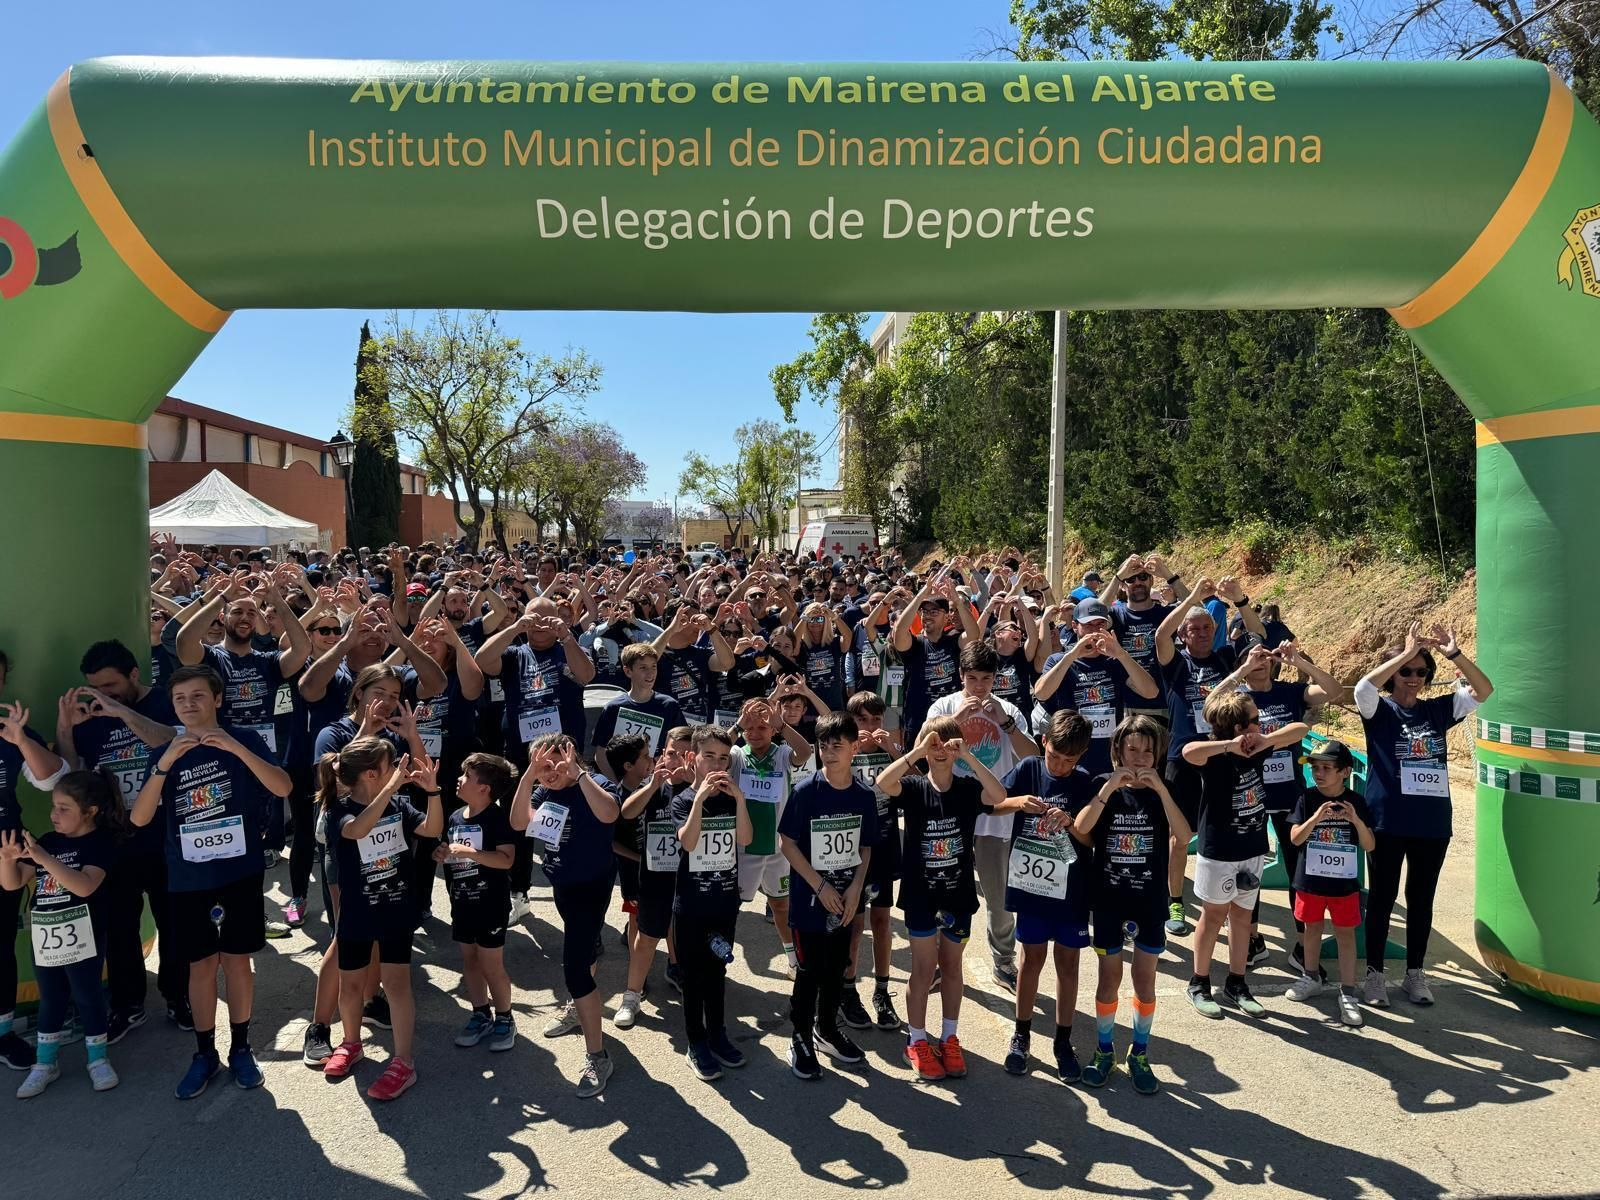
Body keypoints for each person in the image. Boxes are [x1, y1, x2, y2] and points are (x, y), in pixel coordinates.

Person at [131, 665, 293, 1099]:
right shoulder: (164, 751)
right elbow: (140, 817)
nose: (189, 705)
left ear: (217, 700)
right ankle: (204, 1052)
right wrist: (164, 764)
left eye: (198, 696)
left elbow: (282, 787)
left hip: (239, 871)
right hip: (186, 876)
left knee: (237, 960)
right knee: (200, 966)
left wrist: (237, 751)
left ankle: (242, 1047)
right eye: (181, 698)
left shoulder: (246, 739)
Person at [875, 717, 1042, 1081]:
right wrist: (918, 751)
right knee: (922, 970)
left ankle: (950, 1037)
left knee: (952, 968)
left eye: (947, 744)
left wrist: (967, 755)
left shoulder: (967, 788)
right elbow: (882, 783)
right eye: (933, 743)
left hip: (957, 895)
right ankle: (916, 1040)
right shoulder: (914, 787)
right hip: (921, 896)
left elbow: (998, 796)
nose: (940, 749)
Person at [1357, 622, 1491, 1007]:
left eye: (1421, 671)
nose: (1414, 678)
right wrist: (1403, 651)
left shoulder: (1438, 710)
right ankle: (1375, 974)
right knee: (1382, 897)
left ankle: (1415, 972)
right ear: (1394, 672)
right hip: (1386, 819)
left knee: (1422, 897)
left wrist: (1454, 654)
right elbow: (1363, 688)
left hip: (1431, 822)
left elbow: (1484, 691)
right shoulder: (1378, 709)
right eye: (1406, 671)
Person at [55, 640, 184, 1040]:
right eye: (96, 688)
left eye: (110, 686)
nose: (103, 696)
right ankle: (128, 1004)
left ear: (134, 674)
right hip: (114, 841)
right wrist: (66, 726)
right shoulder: (89, 715)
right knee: (120, 927)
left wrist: (120, 711)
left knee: (174, 922)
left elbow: (170, 740)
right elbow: (73, 772)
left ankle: (179, 996)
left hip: (164, 837)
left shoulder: (164, 701)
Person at [1073, 716, 1191, 1093]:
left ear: (1156, 756)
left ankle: (1139, 1053)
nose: (1139, 758)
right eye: (1131, 749)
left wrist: (1161, 789)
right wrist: (1109, 786)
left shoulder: (1163, 790)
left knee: (1145, 979)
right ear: (1118, 750)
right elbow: (1081, 827)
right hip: (1109, 898)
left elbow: (1185, 836)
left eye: (1147, 751)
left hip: (1149, 900)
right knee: (1109, 978)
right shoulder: (1102, 787)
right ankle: (1104, 1050)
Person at [319, 738, 442, 1099]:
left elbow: (432, 829)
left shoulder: (400, 805)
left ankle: (403, 1062)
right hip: (358, 912)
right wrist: (389, 789)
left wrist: (432, 792)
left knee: (397, 985)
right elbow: (357, 829)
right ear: (373, 775)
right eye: (392, 766)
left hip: (395, 910)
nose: (399, 773)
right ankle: (351, 1043)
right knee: (352, 986)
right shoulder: (338, 811)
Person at [1214, 640, 1349, 971]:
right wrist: (1243, 670)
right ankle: (1252, 939)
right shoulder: (1237, 700)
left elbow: (1333, 692)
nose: (1258, 660)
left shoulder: (1290, 692)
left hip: (1290, 795)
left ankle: (1304, 944)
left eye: (1263, 655)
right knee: (1249, 870)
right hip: (1250, 796)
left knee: (1298, 870)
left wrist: (1299, 662)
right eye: (1250, 655)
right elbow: (1211, 702)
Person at [1180, 689, 1307, 1019]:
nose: (1261, 724)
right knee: (1213, 918)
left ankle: (1237, 983)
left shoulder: (1257, 749)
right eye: (1255, 721)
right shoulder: (1215, 755)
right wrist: (1228, 747)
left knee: (1242, 917)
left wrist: (1263, 742)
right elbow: (1188, 752)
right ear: (1238, 727)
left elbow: (1300, 730)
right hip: (1219, 851)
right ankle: (1199, 982)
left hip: (1252, 849)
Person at [0, 771, 124, 1097]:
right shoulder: (49, 841)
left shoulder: (100, 844)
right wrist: (6, 860)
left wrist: (42, 857)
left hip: (83, 934)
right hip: (46, 936)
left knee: (87, 996)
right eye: (53, 806)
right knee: (50, 999)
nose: (54, 814)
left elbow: (84, 886)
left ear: (90, 810)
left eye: (63, 808)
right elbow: (12, 883)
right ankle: (45, 1063)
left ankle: (97, 1059)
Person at [510, 734, 621, 1097]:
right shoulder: (544, 791)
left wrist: (579, 774)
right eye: (542, 765)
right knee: (585, 950)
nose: (550, 772)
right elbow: (518, 823)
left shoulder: (595, 783)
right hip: (563, 884)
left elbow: (610, 813)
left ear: (573, 759)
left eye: (556, 763)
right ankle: (579, 1009)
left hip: (592, 885)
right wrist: (528, 778)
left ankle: (598, 1055)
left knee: (575, 969)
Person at [925, 641, 1039, 992]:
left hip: (995, 816)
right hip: (949, 815)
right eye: (971, 678)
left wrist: (1004, 724)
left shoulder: (1008, 710)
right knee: (941, 890)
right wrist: (955, 722)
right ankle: (935, 963)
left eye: (985, 679)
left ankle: (1003, 961)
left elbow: (1032, 757)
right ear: (960, 676)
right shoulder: (944, 706)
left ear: (995, 678)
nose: (978, 687)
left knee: (998, 894)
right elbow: (921, 749)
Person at [1154, 576, 1262, 935]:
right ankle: (1175, 902)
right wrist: (1191, 599)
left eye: (1206, 627)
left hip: (1225, 756)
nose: (1201, 633)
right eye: (1193, 629)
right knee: (1180, 836)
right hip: (1183, 758)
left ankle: (1231, 905)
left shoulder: (1226, 658)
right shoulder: (1176, 664)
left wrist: (1241, 600)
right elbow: (1159, 637)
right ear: (1184, 633)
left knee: (1228, 831)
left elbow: (1260, 636)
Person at [476, 599, 596, 920]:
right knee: (518, 824)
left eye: (549, 617)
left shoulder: (567, 649)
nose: (542, 623)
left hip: (563, 758)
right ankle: (519, 892)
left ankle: (575, 890)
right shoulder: (516, 654)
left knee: (569, 821)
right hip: (521, 755)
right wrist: (515, 628)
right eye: (535, 617)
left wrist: (567, 636)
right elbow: (483, 660)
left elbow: (586, 675)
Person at [780, 711, 880, 1079]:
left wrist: (856, 888)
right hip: (810, 903)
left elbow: (866, 847)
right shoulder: (807, 791)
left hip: (845, 900)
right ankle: (801, 1036)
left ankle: (826, 1029)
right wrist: (818, 885)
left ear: (855, 748)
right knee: (809, 972)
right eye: (824, 745)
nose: (829, 751)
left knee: (837, 968)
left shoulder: (863, 795)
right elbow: (787, 842)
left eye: (838, 745)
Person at [1001, 711, 1097, 1082]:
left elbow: (1091, 840)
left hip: (1071, 889)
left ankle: (1062, 1041)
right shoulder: (1028, 769)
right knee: (1030, 959)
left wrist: (1072, 823)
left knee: (1068, 965)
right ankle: (1021, 1035)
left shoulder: (1086, 783)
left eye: (1069, 761)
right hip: (1032, 887)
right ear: (1045, 743)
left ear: (1082, 755)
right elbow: (991, 802)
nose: (1059, 766)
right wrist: (1018, 803)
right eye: (1055, 756)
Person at [672, 725, 754, 1082]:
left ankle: (718, 1033)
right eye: (710, 757)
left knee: (717, 969)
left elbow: (746, 839)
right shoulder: (682, 800)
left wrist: (738, 799)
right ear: (693, 759)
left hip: (724, 902)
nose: (717, 764)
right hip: (691, 905)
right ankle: (696, 1040)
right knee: (693, 977)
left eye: (724, 758)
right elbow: (688, 843)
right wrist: (701, 799)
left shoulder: (732, 797)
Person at [0, 657, 70, 1071]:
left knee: (1, 947)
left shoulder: (11, 733)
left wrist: (22, 740)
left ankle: (4, 1033)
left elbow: (53, 780)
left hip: (6, 851)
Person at [1285, 740, 1374, 1027]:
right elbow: (1295, 838)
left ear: (1345, 772)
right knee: (1311, 929)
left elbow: (1370, 845)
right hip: (1310, 881)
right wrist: (1315, 817)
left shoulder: (1357, 802)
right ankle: (1310, 976)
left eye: (1326, 768)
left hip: (1343, 885)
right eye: (1314, 767)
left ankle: (1348, 992)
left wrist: (1356, 821)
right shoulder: (1306, 798)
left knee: (1345, 935)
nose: (1318, 773)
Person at [729, 696, 813, 979]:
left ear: (773, 729)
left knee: (780, 905)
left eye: (761, 727)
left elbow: (805, 751)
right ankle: (718, 954)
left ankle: (792, 959)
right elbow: (714, 750)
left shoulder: (781, 753)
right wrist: (738, 725)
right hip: (745, 849)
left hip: (778, 850)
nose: (754, 733)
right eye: (749, 728)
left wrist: (781, 724)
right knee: (730, 907)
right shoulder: (738, 755)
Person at [1033, 598, 1159, 777]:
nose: (1095, 630)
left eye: (1100, 624)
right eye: (1088, 625)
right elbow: (1041, 692)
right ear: (1075, 626)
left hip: (1109, 757)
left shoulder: (1115, 661)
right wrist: (1072, 655)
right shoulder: (1058, 660)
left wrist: (1122, 655)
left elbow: (1150, 692)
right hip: (1072, 755)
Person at [611, 731, 683, 1029]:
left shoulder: (698, 787)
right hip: (646, 875)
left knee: (676, 925)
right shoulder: (647, 786)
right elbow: (627, 812)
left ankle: (677, 969)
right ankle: (632, 994)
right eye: (669, 753)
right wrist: (654, 784)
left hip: (683, 877)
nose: (675, 760)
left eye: (686, 754)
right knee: (642, 931)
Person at [844, 691, 903, 1031]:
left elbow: (911, 782)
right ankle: (848, 988)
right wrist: (853, 749)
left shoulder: (888, 751)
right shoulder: (845, 752)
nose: (869, 727)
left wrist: (892, 748)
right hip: (851, 848)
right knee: (854, 925)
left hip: (883, 845)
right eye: (862, 720)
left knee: (882, 922)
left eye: (876, 720)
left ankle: (882, 991)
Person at [590, 643, 687, 769]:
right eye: (643, 668)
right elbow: (600, 753)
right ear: (628, 671)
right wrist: (617, 785)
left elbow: (683, 746)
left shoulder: (669, 706)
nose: (650, 673)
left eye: (653, 667)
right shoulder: (613, 708)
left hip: (658, 780)